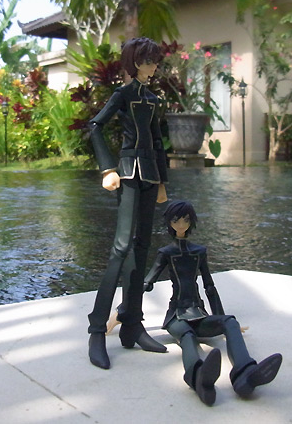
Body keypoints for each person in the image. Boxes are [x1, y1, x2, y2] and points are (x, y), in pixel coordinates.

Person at [144, 200, 283, 406]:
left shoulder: (199, 251)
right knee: (187, 337)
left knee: (230, 322)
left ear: (191, 222)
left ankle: (245, 373)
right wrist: (124, 313)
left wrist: (222, 318)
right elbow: (147, 283)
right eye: (176, 220)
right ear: (169, 223)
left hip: (199, 314)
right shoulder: (166, 253)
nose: (181, 224)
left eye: (185, 220)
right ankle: (198, 377)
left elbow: (209, 286)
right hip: (176, 317)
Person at [87, 37, 169, 370]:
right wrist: (107, 168)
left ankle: (132, 324)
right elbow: (95, 126)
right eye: (149, 61)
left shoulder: (153, 98)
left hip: (150, 176)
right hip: (127, 173)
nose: (154, 67)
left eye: (155, 61)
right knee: (121, 247)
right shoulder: (122, 94)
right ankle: (97, 329)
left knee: (143, 246)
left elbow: (158, 141)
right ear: (136, 63)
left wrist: (162, 181)